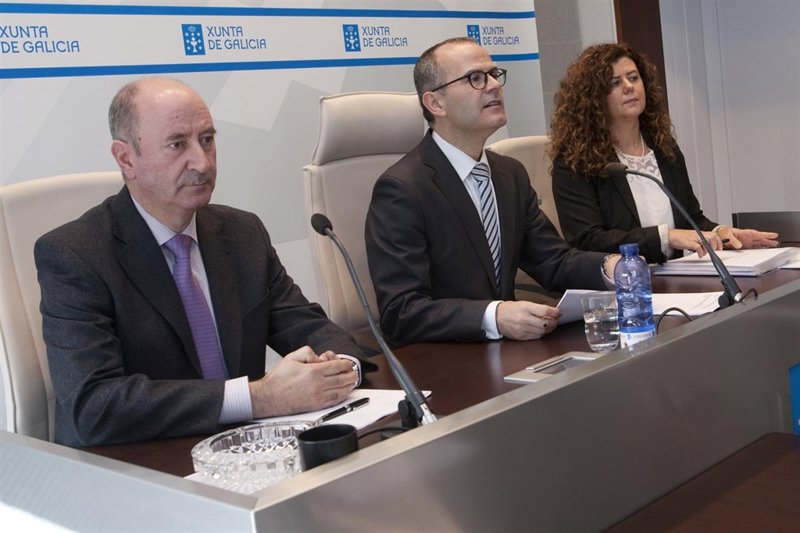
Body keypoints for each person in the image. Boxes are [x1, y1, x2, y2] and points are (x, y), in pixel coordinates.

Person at [34, 77, 373, 447]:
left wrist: (341, 368)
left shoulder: (242, 232)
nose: (202, 161)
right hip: (138, 462)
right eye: (177, 144)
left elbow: (308, 326)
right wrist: (258, 397)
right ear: (126, 158)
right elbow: (94, 405)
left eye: (207, 140)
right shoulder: (74, 255)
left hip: (247, 452)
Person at [365, 37, 618, 347]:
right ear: (435, 104)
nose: (494, 86)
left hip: (507, 350)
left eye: (494, 74)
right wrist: (494, 316)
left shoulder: (508, 174)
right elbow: (401, 311)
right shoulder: (402, 189)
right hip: (442, 357)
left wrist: (610, 266)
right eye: (475, 78)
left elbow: (552, 260)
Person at [550, 43, 779, 264]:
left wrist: (723, 234)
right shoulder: (575, 162)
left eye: (633, 78)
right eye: (615, 82)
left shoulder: (663, 148)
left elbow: (691, 219)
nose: (629, 87)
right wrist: (665, 237)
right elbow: (588, 240)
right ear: (593, 98)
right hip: (624, 282)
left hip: (676, 276)